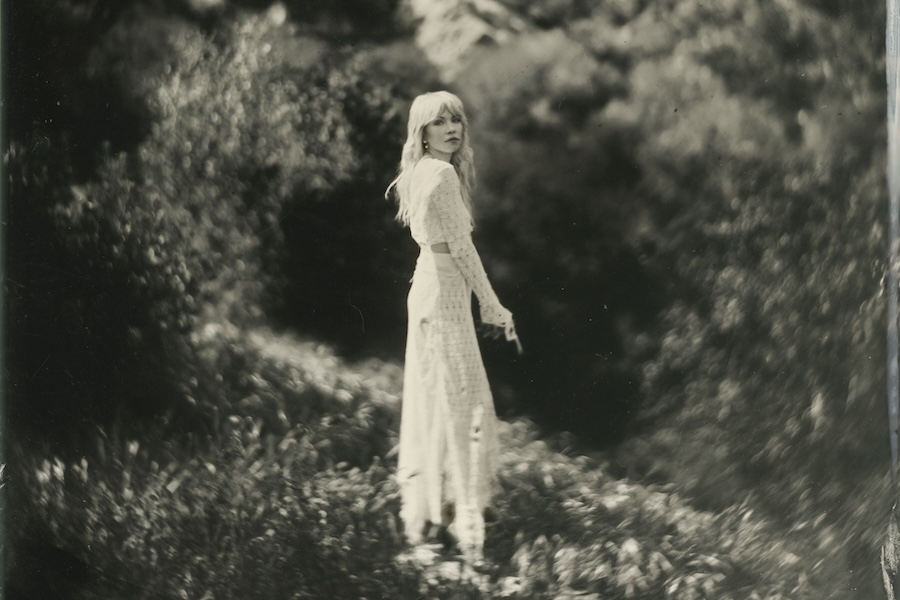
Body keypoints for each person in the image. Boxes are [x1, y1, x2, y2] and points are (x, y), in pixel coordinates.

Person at [386, 91, 521, 561]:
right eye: (439, 122)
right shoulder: (440, 174)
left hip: (429, 287)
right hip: (443, 293)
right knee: (468, 404)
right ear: (422, 131)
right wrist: (492, 304)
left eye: (456, 120)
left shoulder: (421, 172)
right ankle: (466, 522)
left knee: (438, 399)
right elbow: (462, 250)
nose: (451, 128)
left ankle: (434, 517)